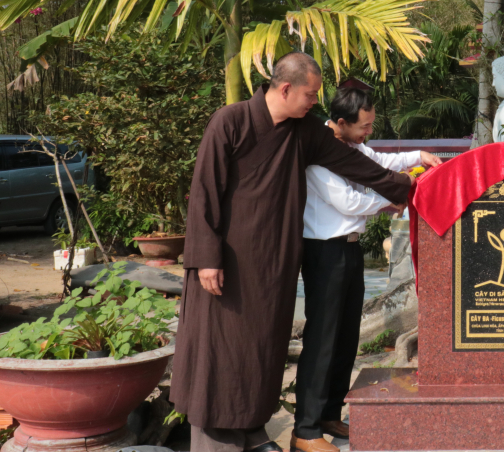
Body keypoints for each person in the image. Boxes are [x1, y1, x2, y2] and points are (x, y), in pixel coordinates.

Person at [170, 53, 414, 452]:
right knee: (224, 348)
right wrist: (205, 259)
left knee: (263, 347)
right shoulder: (229, 122)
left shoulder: (303, 132)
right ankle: (218, 440)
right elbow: (204, 194)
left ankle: (252, 431)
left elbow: (355, 164)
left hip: (275, 260)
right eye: (310, 94)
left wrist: (406, 188)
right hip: (226, 261)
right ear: (285, 89)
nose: (315, 103)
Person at [294, 85, 441, 451]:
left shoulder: (353, 147)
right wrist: (391, 200)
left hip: (350, 251)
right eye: (364, 127)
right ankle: (306, 430)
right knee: (322, 339)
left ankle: (329, 413)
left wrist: (418, 156)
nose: (368, 133)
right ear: (340, 123)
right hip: (324, 252)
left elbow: (378, 162)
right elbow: (347, 201)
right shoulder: (319, 153)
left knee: (345, 338)